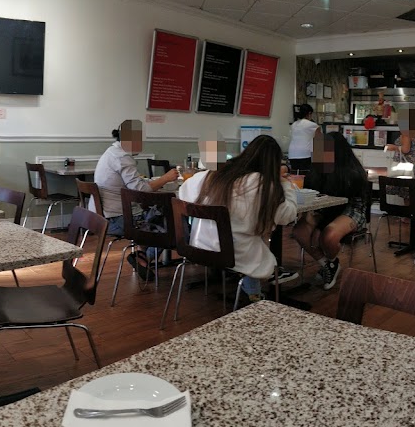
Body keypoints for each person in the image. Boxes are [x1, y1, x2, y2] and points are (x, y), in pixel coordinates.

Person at [178, 135, 297, 303]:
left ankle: (251, 292)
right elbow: (288, 216)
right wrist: (285, 184)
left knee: (251, 240)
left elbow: (182, 194)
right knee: (256, 244)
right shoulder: (261, 184)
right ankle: (255, 296)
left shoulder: (211, 175)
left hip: (198, 246)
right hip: (233, 253)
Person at [93, 119, 178, 279]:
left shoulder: (112, 152)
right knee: (169, 220)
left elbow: (135, 184)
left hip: (104, 216)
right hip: (118, 221)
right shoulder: (122, 157)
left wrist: (150, 182)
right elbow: (141, 191)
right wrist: (166, 178)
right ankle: (145, 258)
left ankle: (141, 253)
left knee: (156, 214)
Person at [292, 132, 368, 290]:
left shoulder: (351, 173)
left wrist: (318, 227)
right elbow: (312, 191)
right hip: (325, 207)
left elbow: (341, 202)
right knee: (300, 231)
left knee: (328, 235)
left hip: (350, 208)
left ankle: (330, 263)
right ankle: (329, 264)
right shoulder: (317, 169)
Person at [287, 104, 319, 172]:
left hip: (292, 154)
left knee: (295, 174)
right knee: (306, 174)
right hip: (305, 154)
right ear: (309, 113)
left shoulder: (294, 124)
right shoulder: (313, 125)